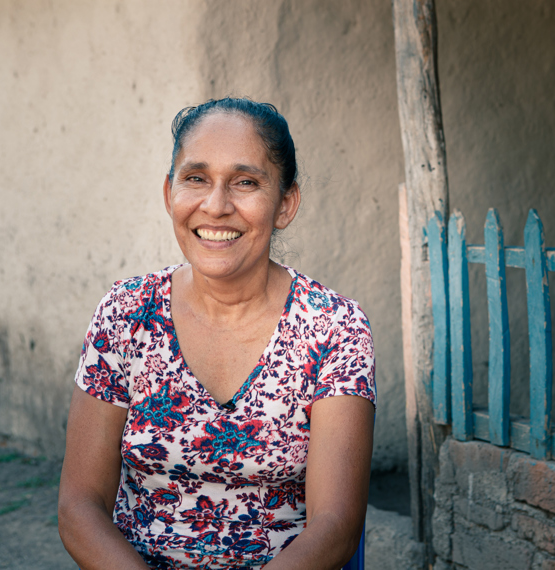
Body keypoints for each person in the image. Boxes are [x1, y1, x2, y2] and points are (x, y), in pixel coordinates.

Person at [58, 98, 376, 569]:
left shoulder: (335, 328)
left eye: (245, 182)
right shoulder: (126, 314)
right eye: (196, 178)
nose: (216, 205)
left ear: (285, 204)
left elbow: (334, 526)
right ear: (170, 194)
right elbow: (79, 507)